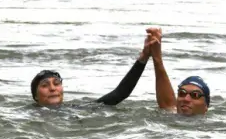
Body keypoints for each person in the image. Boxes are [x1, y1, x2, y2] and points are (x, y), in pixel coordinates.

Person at [30, 32, 159, 108]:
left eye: (56, 83)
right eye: (45, 85)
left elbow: (120, 94)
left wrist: (144, 57)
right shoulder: (27, 115)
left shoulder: (77, 109)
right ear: (35, 96)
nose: (53, 88)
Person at [145, 27, 211, 115]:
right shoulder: (170, 118)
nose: (186, 99)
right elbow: (167, 105)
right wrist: (156, 56)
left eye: (195, 95)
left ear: (205, 107)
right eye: (182, 93)